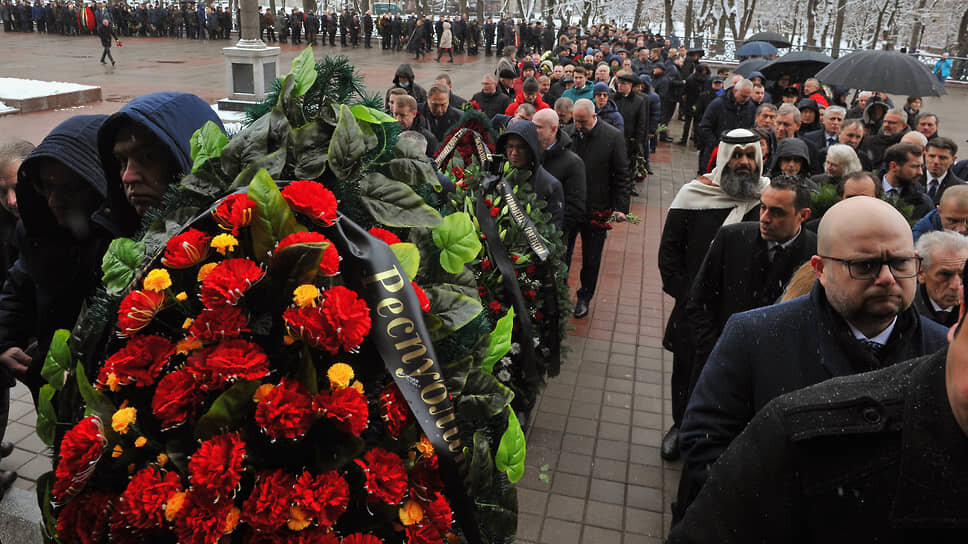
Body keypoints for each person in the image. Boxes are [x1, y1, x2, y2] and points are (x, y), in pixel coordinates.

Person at [674, 195, 949, 526]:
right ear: (820, 268)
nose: (888, 278)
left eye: (901, 263)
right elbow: (705, 442)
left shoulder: (945, 353)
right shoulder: (755, 335)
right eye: (865, 265)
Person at [658, 129, 768, 462]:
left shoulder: (769, 198)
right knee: (687, 370)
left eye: (749, 156)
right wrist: (690, 298)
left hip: (747, 313)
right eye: (736, 156)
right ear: (723, 157)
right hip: (695, 310)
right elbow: (669, 255)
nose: (744, 163)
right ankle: (681, 426)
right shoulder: (694, 195)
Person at [686, 175, 817, 407]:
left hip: (777, 375)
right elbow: (699, 301)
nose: (765, 218)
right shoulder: (731, 238)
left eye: (777, 212)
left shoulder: (816, 253)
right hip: (718, 363)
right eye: (763, 208)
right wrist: (716, 349)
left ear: (803, 215)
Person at [96, 92, 225, 234]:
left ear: (185, 157)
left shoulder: (238, 242)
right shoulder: (118, 240)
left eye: (147, 157)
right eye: (122, 161)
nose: (128, 177)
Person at [565, 99, 630, 319]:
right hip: (570, 208)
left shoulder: (612, 137)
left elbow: (622, 174)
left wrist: (621, 207)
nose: (578, 126)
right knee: (563, 253)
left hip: (597, 208)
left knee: (591, 259)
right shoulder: (568, 133)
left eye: (582, 121)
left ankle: (584, 297)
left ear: (594, 117)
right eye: (575, 121)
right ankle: (560, 293)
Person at [495, 121, 564, 230]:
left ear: (531, 149)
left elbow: (553, 230)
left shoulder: (550, 185)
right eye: (510, 146)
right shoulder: (496, 176)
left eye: (520, 147)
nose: (514, 153)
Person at [534, 109, 586, 237]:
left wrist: (554, 232)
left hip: (555, 237)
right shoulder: (530, 154)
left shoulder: (573, 163)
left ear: (553, 129)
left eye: (538, 127)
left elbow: (575, 206)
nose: (533, 130)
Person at [697, 79, 755, 174]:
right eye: (743, 96)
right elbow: (705, 126)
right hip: (716, 151)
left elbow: (750, 127)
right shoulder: (718, 104)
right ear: (735, 91)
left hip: (737, 153)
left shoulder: (750, 107)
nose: (745, 100)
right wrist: (715, 144)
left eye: (748, 97)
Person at [913, 230, 968, 327]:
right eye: (945, 274)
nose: (956, 286)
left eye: (963, 275)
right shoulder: (904, 311)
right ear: (921, 273)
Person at [881, 142, 932, 220]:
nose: (920, 172)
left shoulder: (923, 203)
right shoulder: (867, 192)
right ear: (893, 166)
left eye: (921, 166)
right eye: (914, 166)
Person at [863, 107, 909, 171]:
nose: (886, 125)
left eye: (892, 123)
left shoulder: (908, 144)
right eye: (885, 121)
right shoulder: (869, 141)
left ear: (903, 126)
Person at [921, 136, 963, 205]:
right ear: (925, 155)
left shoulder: (960, 189)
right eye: (932, 156)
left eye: (942, 158)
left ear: (953, 160)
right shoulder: (909, 182)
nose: (936, 161)